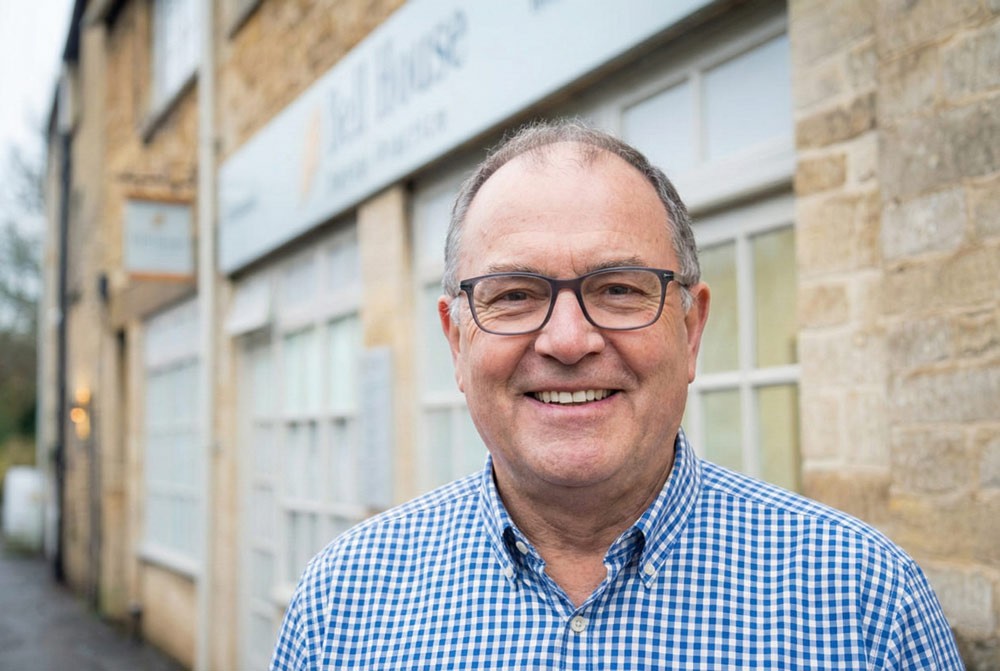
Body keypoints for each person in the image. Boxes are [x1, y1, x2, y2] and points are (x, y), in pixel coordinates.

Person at [271, 120, 963, 670]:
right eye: (515, 295)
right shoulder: (344, 602)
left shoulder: (866, 602)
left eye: (619, 289)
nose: (568, 340)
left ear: (690, 329)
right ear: (457, 341)